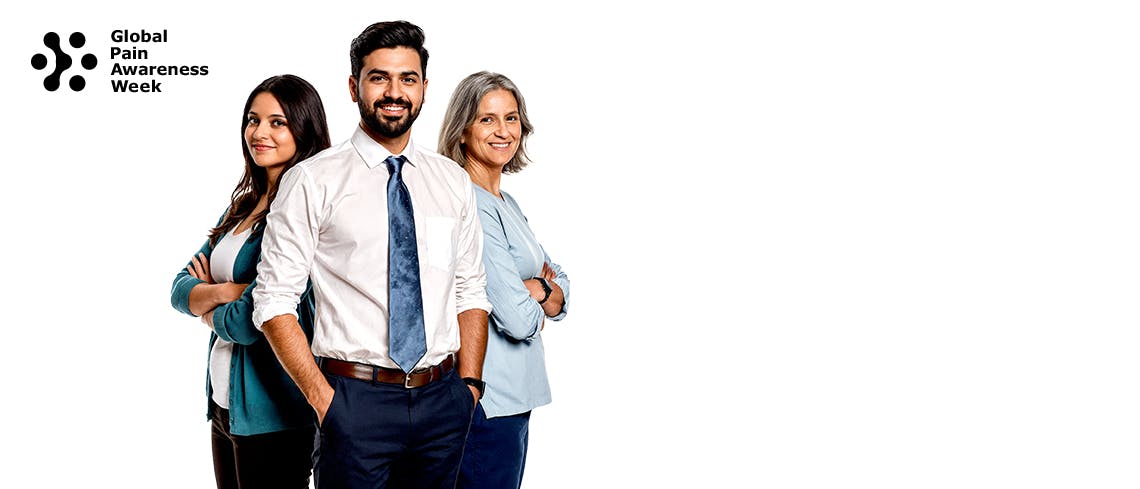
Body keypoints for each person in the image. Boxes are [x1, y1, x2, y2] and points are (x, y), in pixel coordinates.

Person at [251, 21, 492, 489]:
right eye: (379, 77)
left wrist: (469, 387)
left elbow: (470, 289)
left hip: (443, 400)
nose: (394, 92)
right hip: (353, 400)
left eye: (407, 79)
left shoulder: (451, 180)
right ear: (353, 86)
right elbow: (274, 301)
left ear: (424, 88)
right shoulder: (313, 180)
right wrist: (324, 401)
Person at [169, 74, 331, 489]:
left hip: (274, 415)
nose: (259, 133)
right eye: (253, 120)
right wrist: (227, 291)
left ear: (304, 129)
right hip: (225, 405)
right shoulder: (242, 207)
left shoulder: (302, 212)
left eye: (278, 122)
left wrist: (207, 310)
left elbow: (248, 322)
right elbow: (178, 288)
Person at [438, 71, 570, 489]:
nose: (503, 131)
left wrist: (538, 288)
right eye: (487, 119)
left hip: (514, 397)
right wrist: (534, 294)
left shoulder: (505, 202)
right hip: (487, 399)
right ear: (462, 130)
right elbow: (516, 318)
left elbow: (561, 283)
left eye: (511, 118)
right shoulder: (472, 205)